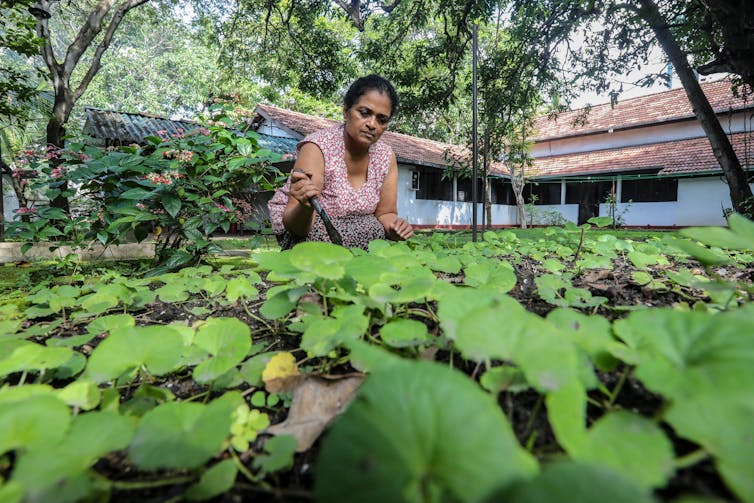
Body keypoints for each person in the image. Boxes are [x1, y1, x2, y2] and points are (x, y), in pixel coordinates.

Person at [268, 74, 414, 250]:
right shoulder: (318, 148)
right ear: (346, 112)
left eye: (382, 120)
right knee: (321, 236)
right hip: (312, 230)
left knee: (375, 230)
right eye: (365, 113)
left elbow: (386, 213)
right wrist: (305, 207)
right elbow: (298, 228)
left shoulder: (385, 156)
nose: (372, 124)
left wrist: (395, 227)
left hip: (362, 234)